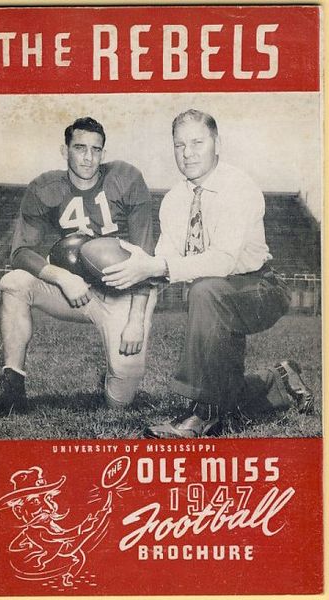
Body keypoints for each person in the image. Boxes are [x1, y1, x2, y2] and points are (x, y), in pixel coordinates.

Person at [102, 109, 314, 438]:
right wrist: (135, 314)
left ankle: (202, 413)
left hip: (260, 288)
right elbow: (161, 263)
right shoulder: (173, 200)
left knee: (204, 290)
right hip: (215, 296)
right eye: (179, 145)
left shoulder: (237, 186)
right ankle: (280, 379)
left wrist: (157, 265)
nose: (187, 153)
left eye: (197, 142)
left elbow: (223, 261)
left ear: (217, 143)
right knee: (223, 378)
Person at [0, 116, 156, 415]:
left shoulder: (126, 179)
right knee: (14, 283)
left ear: (104, 153)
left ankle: (114, 378)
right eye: (80, 147)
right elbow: (20, 252)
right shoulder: (45, 187)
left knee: (119, 402)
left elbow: (145, 255)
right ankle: (12, 388)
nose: (88, 157)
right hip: (75, 290)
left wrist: (136, 319)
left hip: (123, 292)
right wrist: (61, 277)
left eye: (96, 149)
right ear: (65, 150)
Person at [0, 466, 112, 587]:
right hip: (51, 556)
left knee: (80, 554)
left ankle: (68, 577)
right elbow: (63, 538)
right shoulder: (38, 531)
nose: (50, 508)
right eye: (36, 501)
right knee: (79, 546)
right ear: (18, 510)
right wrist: (83, 528)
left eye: (48, 498)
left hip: (59, 554)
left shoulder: (48, 524)